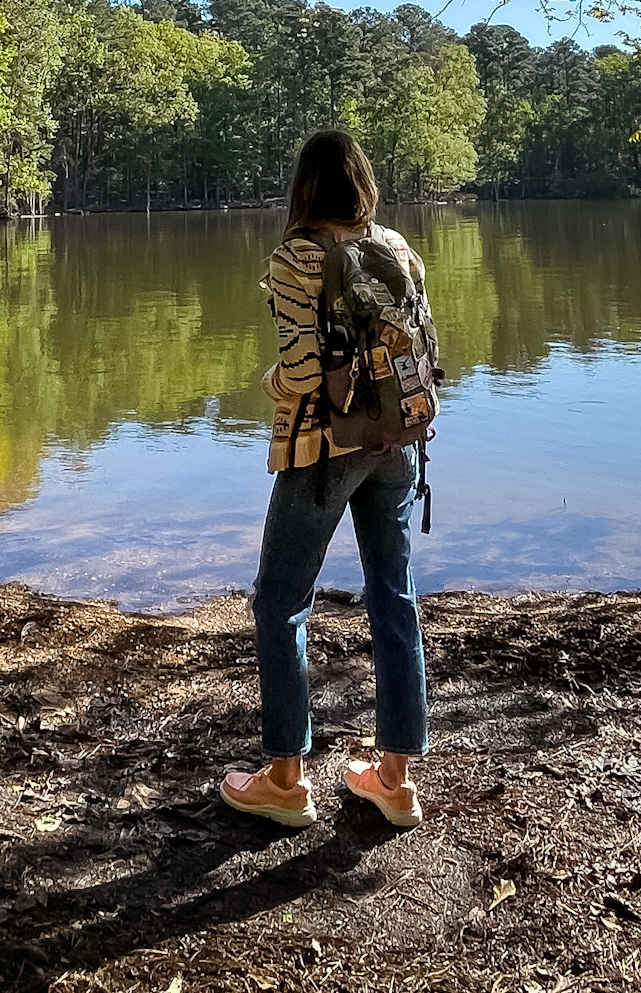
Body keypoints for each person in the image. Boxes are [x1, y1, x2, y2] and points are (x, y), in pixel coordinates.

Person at [220, 130, 429, 831]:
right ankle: (392, 779)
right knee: (393, 596)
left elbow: (304, 374)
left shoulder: (297, 256)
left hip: (322, 449)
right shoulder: (398, 247)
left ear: (303, 188)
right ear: (363, 184)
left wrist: (271, 380)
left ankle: (284, 780)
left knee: (280, 601)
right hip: (396, 439)